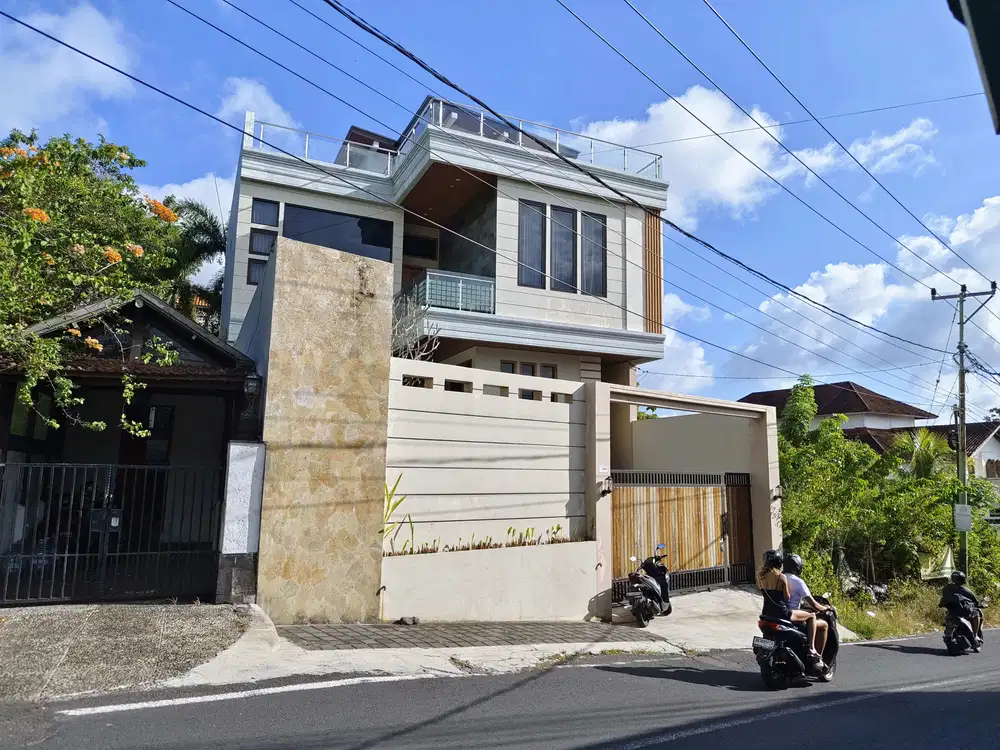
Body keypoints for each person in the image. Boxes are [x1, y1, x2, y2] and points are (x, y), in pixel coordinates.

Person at [756, 550, 824, 667]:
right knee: (812, 615)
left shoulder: (760, 577)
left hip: (766, 612)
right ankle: (812, 648)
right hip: (782, 613)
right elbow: (787, 597)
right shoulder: (781, 577)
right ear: (778, 563)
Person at [783, 553, 833, 658]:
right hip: (791, 615)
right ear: (798, 566)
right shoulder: (798, 582)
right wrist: (825, 608)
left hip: (776, 613)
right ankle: (815, 655)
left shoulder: (779, 578)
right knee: (823, 624)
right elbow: (814, 605)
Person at [940, 570, 984, 650]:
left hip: (951, 612)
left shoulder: (947, 588)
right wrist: (979, 604)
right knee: (976, 613)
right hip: (963, 613)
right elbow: (974, 601)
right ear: (963, 579)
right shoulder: (966, 590)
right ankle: (974, 635)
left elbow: (944, 598)